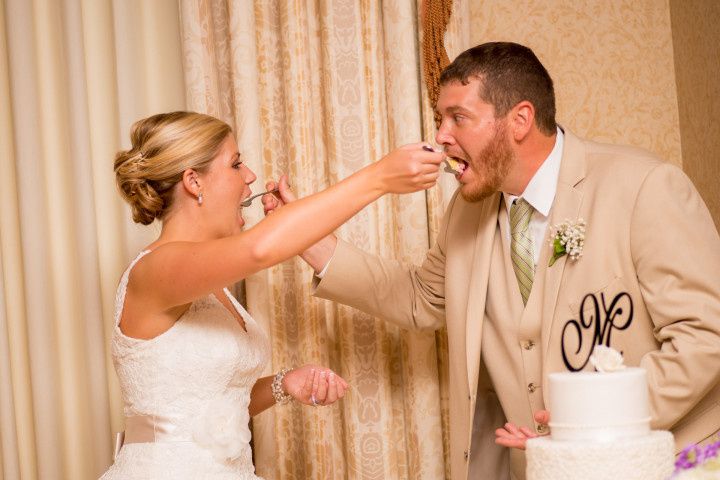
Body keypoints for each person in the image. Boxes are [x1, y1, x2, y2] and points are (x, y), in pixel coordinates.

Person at [262, 42, 720, 480]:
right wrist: (307, 240)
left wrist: (586, 416)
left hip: (669, 460)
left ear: (519, 119)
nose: (440, 137)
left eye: (458, 118)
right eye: (439, 119)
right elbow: (422, 299)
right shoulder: (467, 210)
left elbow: (706, 336)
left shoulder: (644, 186)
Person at [99, 111, 443, 479]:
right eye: (236, 164)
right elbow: (259, 250)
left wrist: (285, 384)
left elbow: (207, 409)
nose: (250, 177)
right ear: (194, 181)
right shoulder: (155, 270)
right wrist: (379, 178)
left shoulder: (212, 287)